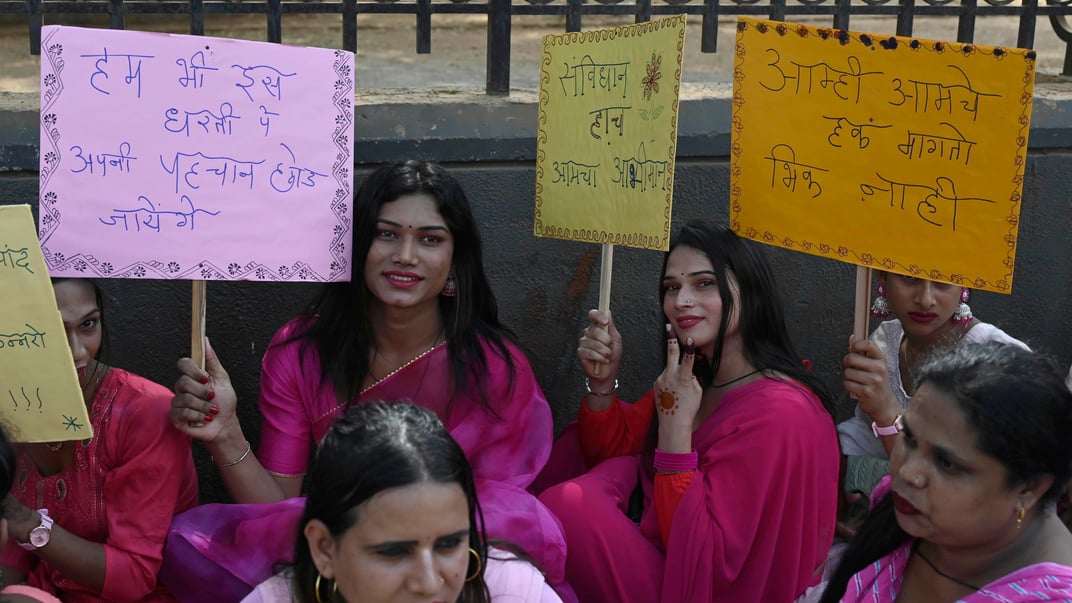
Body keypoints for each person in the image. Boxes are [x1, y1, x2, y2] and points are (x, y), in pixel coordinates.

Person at [163, 160, 565, 602]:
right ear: (357, 245)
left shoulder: (495, 368)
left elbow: (498, 515)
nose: (405, 256)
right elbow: (275, 511)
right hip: (346, 548)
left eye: (429, 239)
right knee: (191, 542)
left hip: (454, 556)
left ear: (455, 261)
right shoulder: (300, 351)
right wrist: (226, 435)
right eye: (386, 234)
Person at [539, 220, 841, 603]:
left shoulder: (780, 413)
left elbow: (711, 564)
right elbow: (613, 449)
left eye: (703, 284)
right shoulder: (692, 374)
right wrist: (602, 383)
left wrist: (676, 437)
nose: (681, 301)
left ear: (750, 292)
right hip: (666, 554)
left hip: (705, 584)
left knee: (566, 508)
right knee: (574, 465)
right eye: (671, 288)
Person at [819, 341, 1072, 603]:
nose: (908, 473)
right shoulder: (901, 515)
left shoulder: (1052, 597)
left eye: (947, 463)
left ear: (1028, 489)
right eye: (910, 438)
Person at [240, 401, 562, 603]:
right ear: (325, 548)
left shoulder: (514, 593)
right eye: (394, 551)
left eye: (449, 545)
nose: (428, 583)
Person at [0, 279, 199, 602]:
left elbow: (134, 576)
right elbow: (12, 556)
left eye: (88, 325)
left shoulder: (144, 412)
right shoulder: (13, 401)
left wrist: (21, 519)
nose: (78, 351)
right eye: (51, 330)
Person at [838, 272, 1027, 494]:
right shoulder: (884, 341)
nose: (925, 299)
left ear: (964, 284)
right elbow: (865, 437)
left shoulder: (1002, 362)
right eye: (909, 277)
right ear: (883, 278)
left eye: (943, 279)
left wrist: (888, 413)